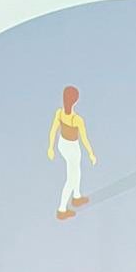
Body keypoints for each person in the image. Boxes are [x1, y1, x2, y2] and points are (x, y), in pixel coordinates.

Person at [47, 84, 97, 220]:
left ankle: (76, 196)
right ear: (76, 101)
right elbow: (84, 139)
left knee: (77, 170)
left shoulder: (59, 113)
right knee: (71, 178)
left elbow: (53, 131)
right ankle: (62, 209)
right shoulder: (77, 120)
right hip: (72, 148)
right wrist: (91, 153)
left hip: (62, 144)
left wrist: (51, 147)